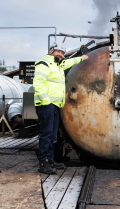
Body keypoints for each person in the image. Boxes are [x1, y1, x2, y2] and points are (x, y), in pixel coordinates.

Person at [33, 41, 88, 174]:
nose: (61, 54)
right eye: (58, 51)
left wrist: (82, 58)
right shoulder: (44, 63)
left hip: (55, 105)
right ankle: (43, 162)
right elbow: (38, 83)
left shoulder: (59, 64)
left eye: (62, 53)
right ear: (51, 51)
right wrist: (46, 101)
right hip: (46, 105)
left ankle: (50, 160)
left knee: (52, 134)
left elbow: (69, 63)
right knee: (46, 134)